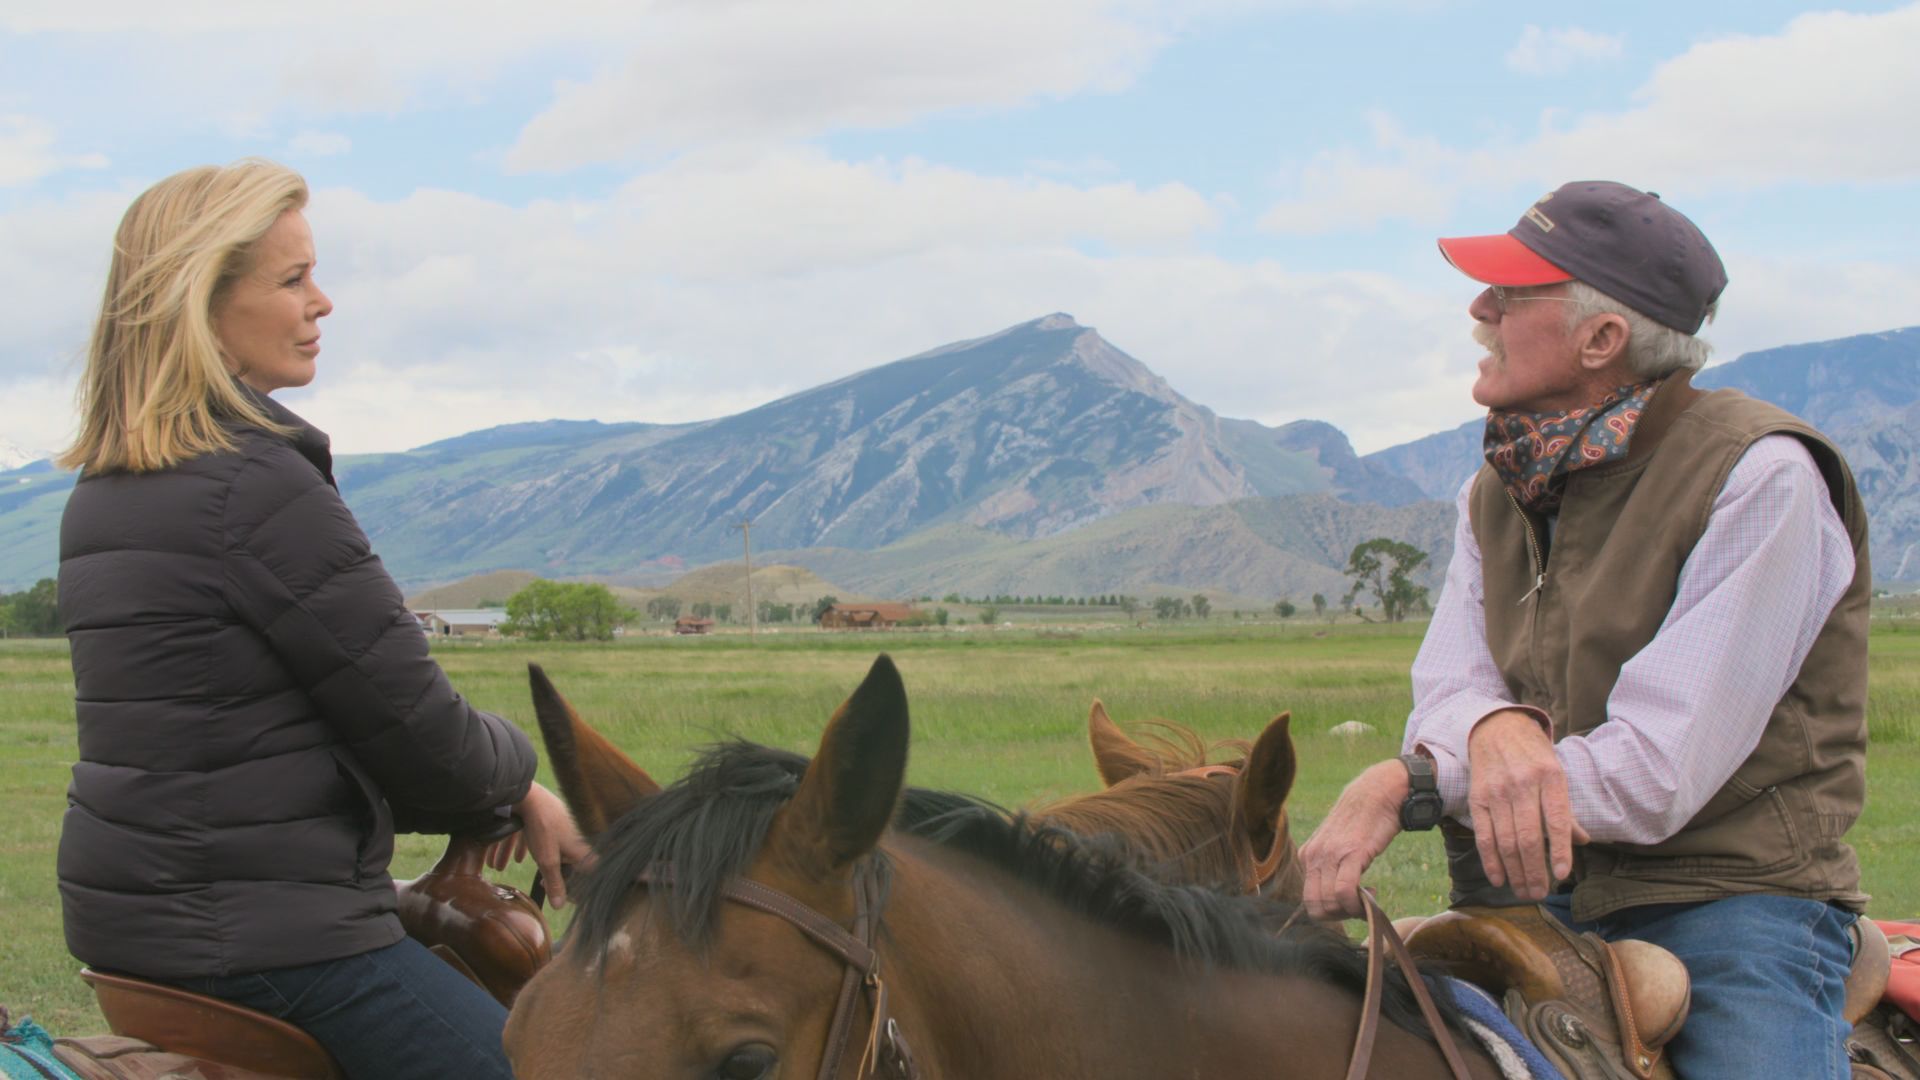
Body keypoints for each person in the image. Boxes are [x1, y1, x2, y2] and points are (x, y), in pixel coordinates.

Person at [1297, 181, 1870, 1079]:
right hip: (1543, 896)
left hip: (1733, 900)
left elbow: (1655, 771)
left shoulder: (1763, 478)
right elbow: (1451, 689)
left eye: (1513, 295)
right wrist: (1490, 730)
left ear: (1603, 340)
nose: (1479, 309)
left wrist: (1411, 787)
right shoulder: (1499, 486)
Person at [55, 159, 590, 1080]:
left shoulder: (106, 491)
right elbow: (424, 735)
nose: (324, 303)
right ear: (202, 304)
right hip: (270, 943)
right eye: (293, 279)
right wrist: (528, 779)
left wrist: (495, 796)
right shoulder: (253, 484)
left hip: (141, 927)